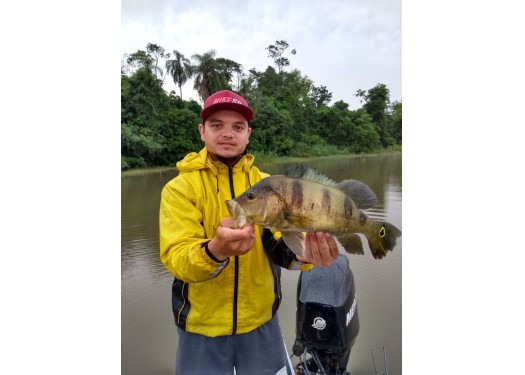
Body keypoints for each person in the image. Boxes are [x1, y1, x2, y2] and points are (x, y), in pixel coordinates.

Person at [159, 90, 339, 375]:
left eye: (238, 127)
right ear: (202, 131)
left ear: (248, 134)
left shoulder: (268, 184)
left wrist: (305, 254)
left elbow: (278, 244)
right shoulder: (180, 189)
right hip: (201, 329)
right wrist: (216, 250)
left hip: (261, 323)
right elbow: (177, 258)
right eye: (217, 125)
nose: (228, 133)